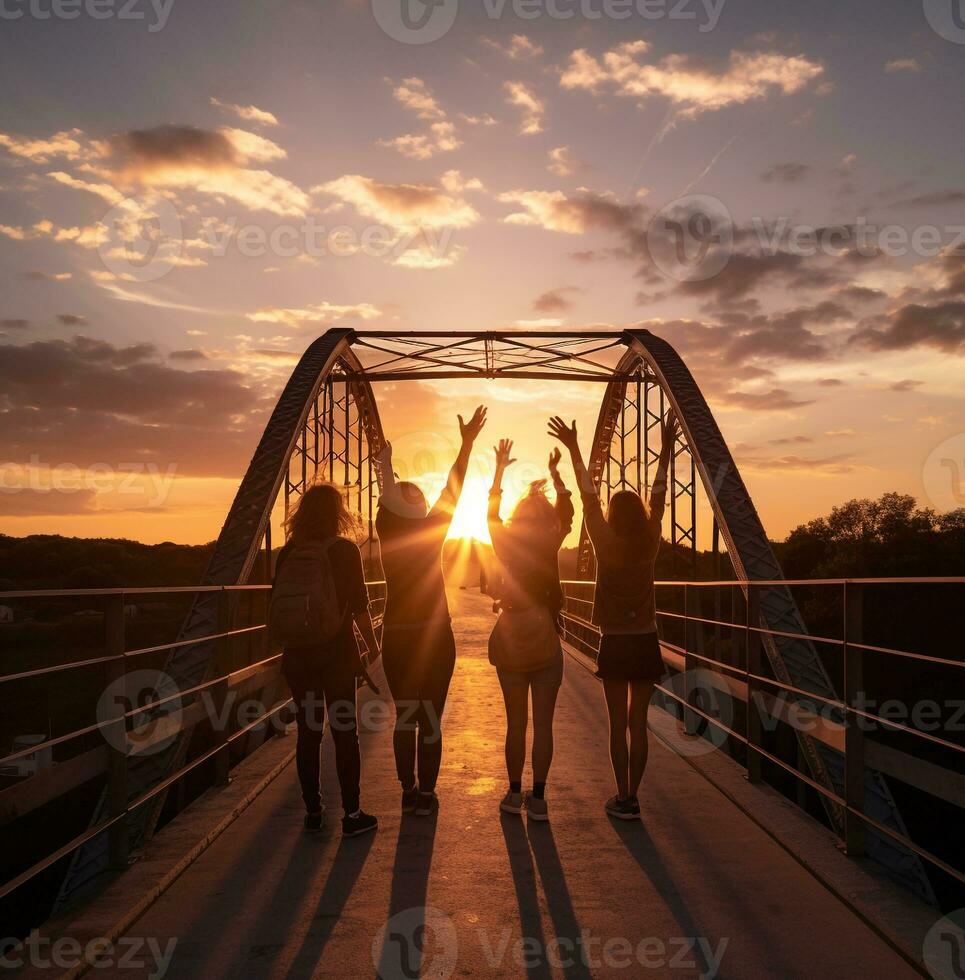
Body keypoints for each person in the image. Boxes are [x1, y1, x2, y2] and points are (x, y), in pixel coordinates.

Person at [548, 412, 678, 820]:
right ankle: (634, 797)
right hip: (646, 640)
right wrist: (668, 449)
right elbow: (657, 496)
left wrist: (572, 447)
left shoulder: (603, 541)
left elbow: (588, 496)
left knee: (616, 723)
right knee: (639, 725)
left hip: (615, 643)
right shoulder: (651, 538)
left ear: (613, 515)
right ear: (639, 515)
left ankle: (620, 794)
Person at [375, 406, 488, 817]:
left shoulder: (387, 531)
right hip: (436, 635)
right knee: (431, 716)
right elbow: (453, 486)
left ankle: (408, 790)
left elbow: (389, 497)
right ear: (420, 510)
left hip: (399, 634)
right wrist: (467, 443)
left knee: (406, 714)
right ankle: (426, 793)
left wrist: (385, 467)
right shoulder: (431, 529)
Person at [275, 483, 381, 838]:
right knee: (344, 733)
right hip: (337, 656)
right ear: (339, 514)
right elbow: (361, 607)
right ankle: (352, 815)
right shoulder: (344, 551)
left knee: (308, 732)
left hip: (298, 657)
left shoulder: (288, 553)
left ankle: (314, 812)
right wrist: (374, 649)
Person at [488, 439, 574, 821]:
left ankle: (512, 793)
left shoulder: (505, 542)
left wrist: (499, 471)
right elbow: (568, 514)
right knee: (543, 726)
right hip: (544, 639)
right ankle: (538, 798)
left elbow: (490, 515)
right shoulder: (550, 538)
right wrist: (557, 477)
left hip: (511, 638)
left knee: (515, 724)